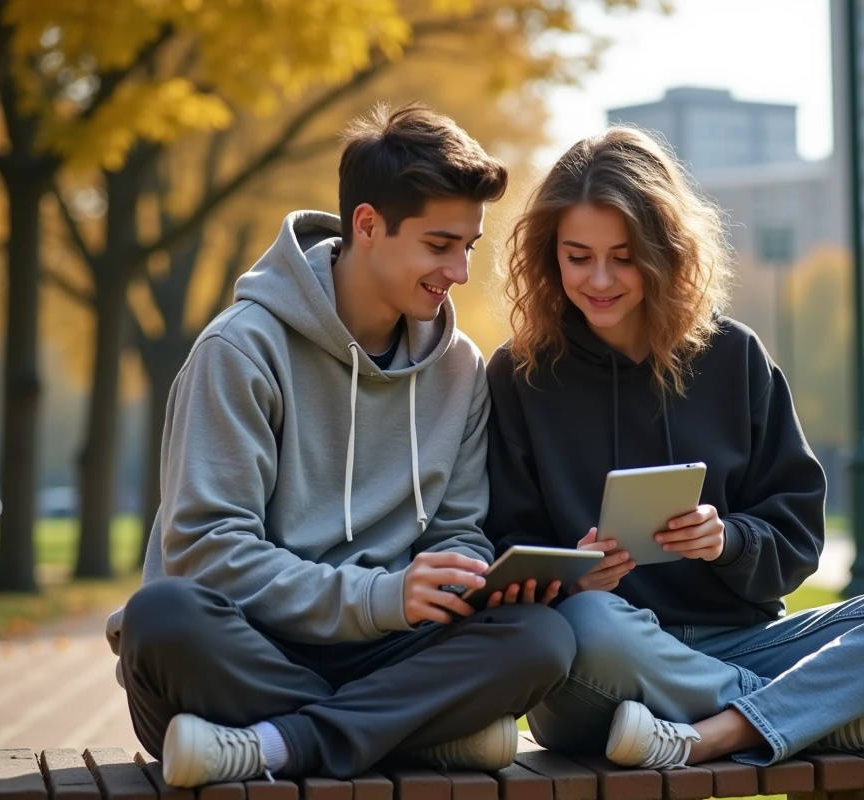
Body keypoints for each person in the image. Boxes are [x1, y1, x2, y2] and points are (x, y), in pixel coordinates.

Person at [103, 104, 576, 788]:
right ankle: (414, 736)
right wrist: (381, 597)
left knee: (542, 637)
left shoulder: (460, 369)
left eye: (468, 247)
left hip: (383, 657)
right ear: (367, 225)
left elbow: (459, 530)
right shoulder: (239, 351)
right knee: (163, 616)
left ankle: (277, 744)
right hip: (247, 649)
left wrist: (465, 578)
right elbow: (208, 552)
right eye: (440, 244)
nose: (459, 272)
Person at [485, 128, 864, 770]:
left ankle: (718, 735)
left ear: (663, 252)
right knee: (593, 624)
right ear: (551, 257)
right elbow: (501, 552)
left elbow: (797, 540)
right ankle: (817, 717)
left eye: (623, 257)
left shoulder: (733, 356)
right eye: (578, 257)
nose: (599, 279)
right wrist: (573, 572)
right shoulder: (520, 373)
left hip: (742, 643)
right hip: (604, 667)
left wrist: (728, 541)